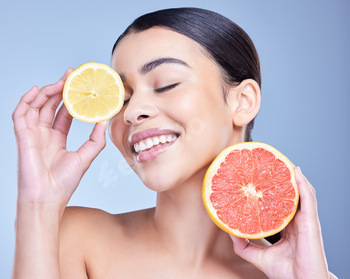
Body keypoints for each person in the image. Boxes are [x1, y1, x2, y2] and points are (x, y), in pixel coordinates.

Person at [12, 7, 336, 279]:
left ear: (242, 101)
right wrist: (37, 205)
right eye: (122, 98)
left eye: (166, 84)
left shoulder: (296, 273)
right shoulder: (76, 239)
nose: (133, 112)